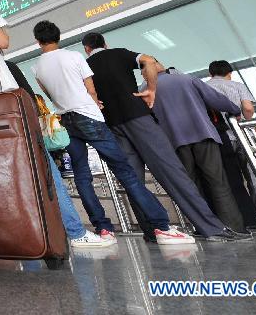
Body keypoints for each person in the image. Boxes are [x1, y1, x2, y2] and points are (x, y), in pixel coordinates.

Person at [0, 0, 110, 249]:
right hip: (3, 101)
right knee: (42, 166)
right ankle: (75, 233)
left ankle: (6, 236)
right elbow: (3, 42)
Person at [32, 21, 193, 246]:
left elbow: (49, 93)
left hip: (66, 119)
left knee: (82, 176)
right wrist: (94, 102)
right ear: (58, 37)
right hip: (88, 115)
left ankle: (103, 229)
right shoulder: (74, 57)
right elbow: (90, 88)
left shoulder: (37, 67)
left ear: (37, 41)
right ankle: (161, 226)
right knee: (125, 171)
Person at [81, 32, 247, 242]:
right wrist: (151, 88)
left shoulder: (84, 67)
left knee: (134, 182)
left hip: (113, 127)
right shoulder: (119, 53)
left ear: (86, 49)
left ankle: (152, 232)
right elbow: (149, 61)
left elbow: (86, 95)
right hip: (139, 118)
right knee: (172, 172)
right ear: (104, 44)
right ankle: (211, 228)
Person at [145, 65, 249, 234]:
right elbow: (216, 99)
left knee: (192, 188)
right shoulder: (185, 78)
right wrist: (235, 110)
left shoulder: (145, 90)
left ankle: (206, 228)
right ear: (160, 65)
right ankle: (234, 228)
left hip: (175, 143)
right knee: (218, 183)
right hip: (203, 135)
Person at [206, 60, 256, 231]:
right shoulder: (237, 85)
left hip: (219, 138)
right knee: (253, 177)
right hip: (239, 136)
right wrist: (244, 119)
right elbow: (248, 109)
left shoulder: (204, 86)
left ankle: (241, 219)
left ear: (210, 74)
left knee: (230, 180)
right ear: (229, 72)